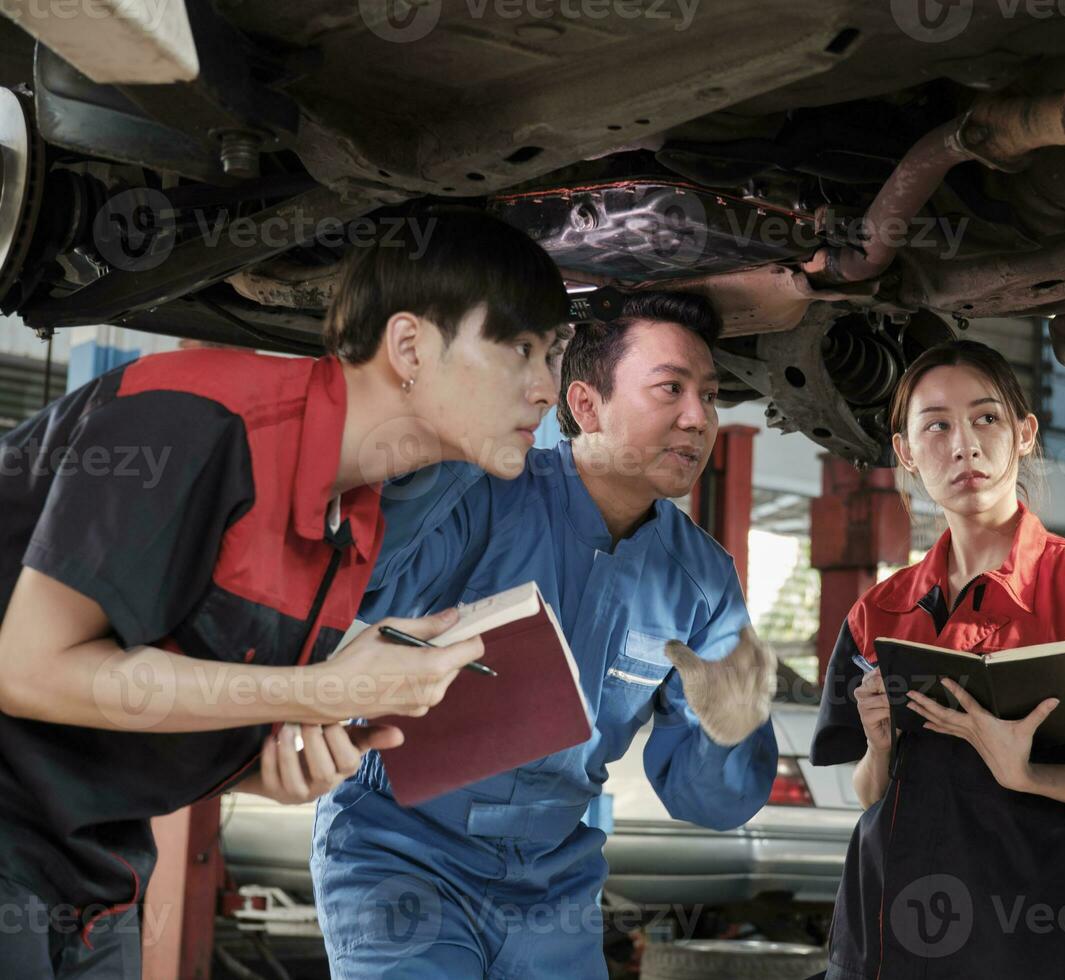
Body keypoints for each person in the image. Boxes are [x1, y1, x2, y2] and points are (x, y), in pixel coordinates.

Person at [0, 209, 568, 978]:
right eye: (521, 349)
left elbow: (171, 686)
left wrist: (270, 767)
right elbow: (28, 672)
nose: (546, 388)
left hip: (94, 860)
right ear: (409, 347)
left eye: (555, 355)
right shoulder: (192, 424)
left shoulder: (354, 519)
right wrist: (320, 686)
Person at [310, 290, 778, 979]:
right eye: (670, 389)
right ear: (586, 405)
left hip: (552, 885)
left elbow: (705, 799)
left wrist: (730, 731)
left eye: (709, 396)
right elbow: (369, 580)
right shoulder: (482, 490)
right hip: (402, 850)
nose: (697, 418)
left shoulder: (703, 582)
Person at [811, 339, 1065, 978]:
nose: (963, 444)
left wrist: (1024, 773)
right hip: (883, 940)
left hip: (1025, 940)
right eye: (936, 425)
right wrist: (881, 745)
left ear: (1024, 433)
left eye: (986, 418)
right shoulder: (878, 612)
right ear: (907, 453)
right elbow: (868, 793)